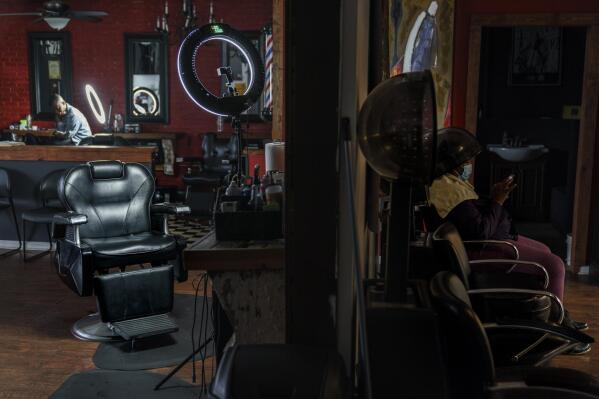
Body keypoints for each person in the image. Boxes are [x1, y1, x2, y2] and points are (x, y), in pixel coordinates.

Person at [429, 127, 589, 353]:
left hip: (493, 239)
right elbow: (480, 231)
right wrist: (497, 200)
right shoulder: (445, 188)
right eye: (468, 160)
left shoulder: (450, 183)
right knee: (555, 265)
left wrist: (493, 197)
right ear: (454, 162)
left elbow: (473, 217)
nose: (470, 165)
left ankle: (555, 313)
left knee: (543, 249)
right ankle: (555, 329)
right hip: (481, 249)